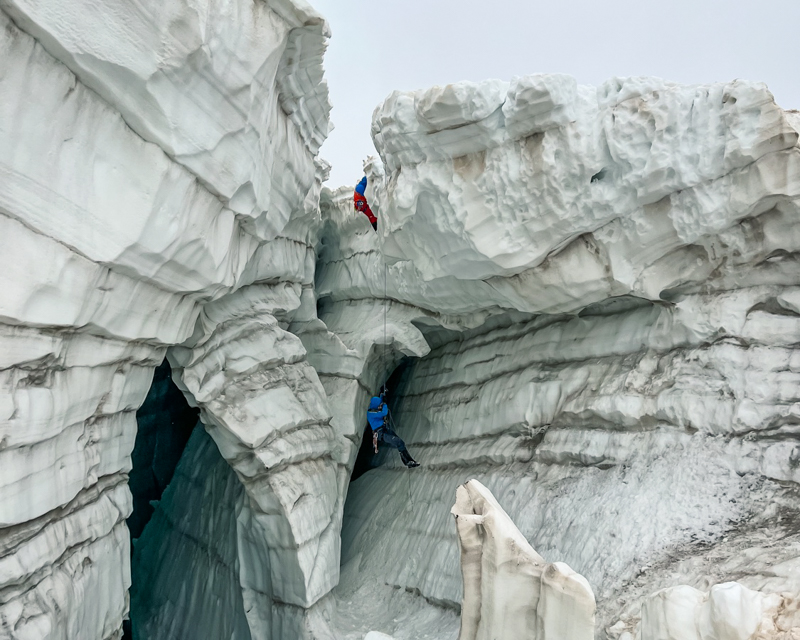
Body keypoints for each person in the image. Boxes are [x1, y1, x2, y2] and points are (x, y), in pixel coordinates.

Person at [366, 392, 419, 468]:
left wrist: (382, 394)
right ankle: (407, 462)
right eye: (379, 405)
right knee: (398, 441)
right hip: (381, 434)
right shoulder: (371, 413)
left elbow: (379, 403)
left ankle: (410, 461)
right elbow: (384, 412)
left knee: (400, 442)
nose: (379, 406)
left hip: (385, 430)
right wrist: (384, 403)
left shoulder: (374, 409)